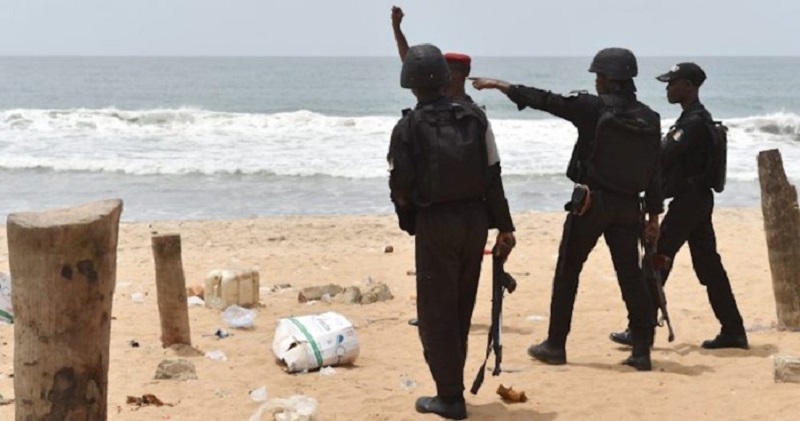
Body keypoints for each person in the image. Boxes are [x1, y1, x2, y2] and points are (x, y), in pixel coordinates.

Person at [471, 47, 662, 371]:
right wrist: (654, 216)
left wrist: (501, 85)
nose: (596, 82)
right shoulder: (650, 117)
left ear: (609, 79)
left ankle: (556, 345)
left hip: (591, 204)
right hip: (630, 207)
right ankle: (642, 351)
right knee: (631, 275)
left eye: (599, 76)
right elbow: (656, 169)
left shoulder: (593, 108)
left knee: (568, 271)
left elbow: (547, 101)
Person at [388, 44, 516, 420]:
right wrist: (505, 226)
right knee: (461, 306)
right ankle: (452, 388)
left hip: (436, 223)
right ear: (446, 80)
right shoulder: (475, 117)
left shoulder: (407, 126)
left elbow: (400, 186)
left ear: (410, 84)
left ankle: (450, 397)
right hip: (475, 221)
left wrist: (412, 223)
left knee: (435, 313)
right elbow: (493, 175)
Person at [609, 63, 748, 350]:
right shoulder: (694, 119)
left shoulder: (693, 123)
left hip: (689, 201)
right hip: (696, 200)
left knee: (656, 260)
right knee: (709, 267)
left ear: (688, 86)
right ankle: (733, 330)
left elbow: (663, 155)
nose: (668, 88)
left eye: (672, 83)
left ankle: (640, 329)